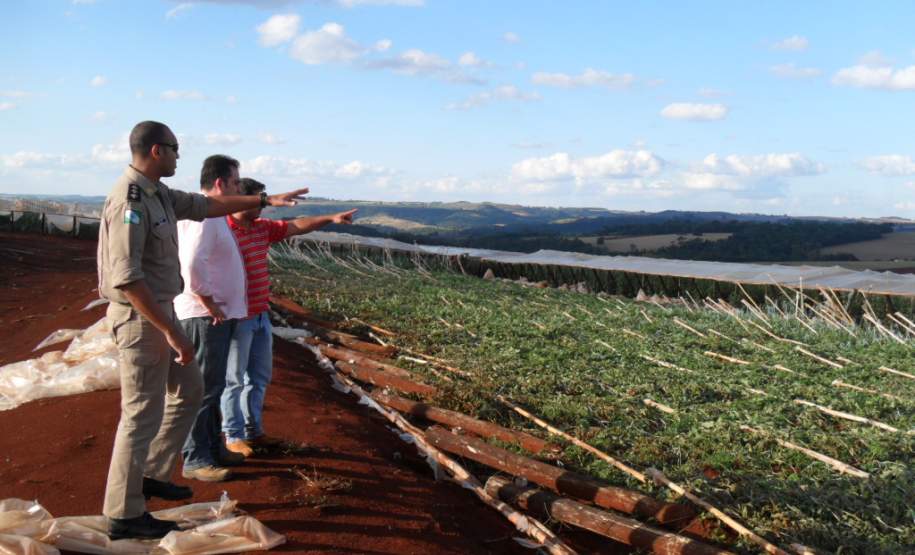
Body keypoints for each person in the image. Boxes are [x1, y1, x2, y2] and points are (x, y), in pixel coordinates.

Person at [97, 120, 308, 540]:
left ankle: (152, 474)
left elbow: (207, 206)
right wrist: (171, 332)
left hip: (161, 315)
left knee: (191, 391)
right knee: (140, 415)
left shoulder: (158, 193)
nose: (179, 155)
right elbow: (126, 278)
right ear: (157, 150)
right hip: (144, 320)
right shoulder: (131, 200)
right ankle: (122, 513)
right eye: (175, 148)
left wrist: (266, 198)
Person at [221, 178, 356, 457]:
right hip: (237, 317)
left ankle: (253, 432)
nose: (262, 205)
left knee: (258, 378)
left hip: (260, 315)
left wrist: (330, 217)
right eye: (258, 199)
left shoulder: (261, 229)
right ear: (242, 199)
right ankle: (232, 435)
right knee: (233, 379)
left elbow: (296, 225)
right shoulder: (222, 230)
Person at [174, 155, 248, 483]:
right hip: (204, 318)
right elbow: (191, 264)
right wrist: (208, 302)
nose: (237, 188)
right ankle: (195, 457)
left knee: (213, 386)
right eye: (234, 183)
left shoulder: (211, 214)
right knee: (202, 388)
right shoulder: (204, 216)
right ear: (220, 183)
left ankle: (213, 448)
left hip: (213, 315)